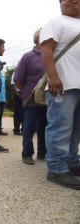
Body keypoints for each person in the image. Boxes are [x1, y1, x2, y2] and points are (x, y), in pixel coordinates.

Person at [40, 0, 80, 189]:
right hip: (63, 84)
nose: (71, 0)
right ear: (60, 3)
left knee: (76, 130)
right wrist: (53, 76)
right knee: (60, 128)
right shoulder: (57, 22)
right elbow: (46, 49)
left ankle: (71, 163)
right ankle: (56, 169)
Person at [14, 28, 48, 165]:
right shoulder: (28, 56)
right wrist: (27, 92)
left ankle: (42, 153)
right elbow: (17, 79)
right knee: (29, 127)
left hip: (47, 99)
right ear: (39, 39)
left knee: (45, 126)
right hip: (31, 99)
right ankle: (27, 154)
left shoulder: (51, 55)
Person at [0, 61, 8, 136]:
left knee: (0, 115)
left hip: (2, 98)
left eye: (2, 65)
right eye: (0, 64)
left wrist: (6, 98)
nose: (2, 66)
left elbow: (4, 88)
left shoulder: (3, 75)